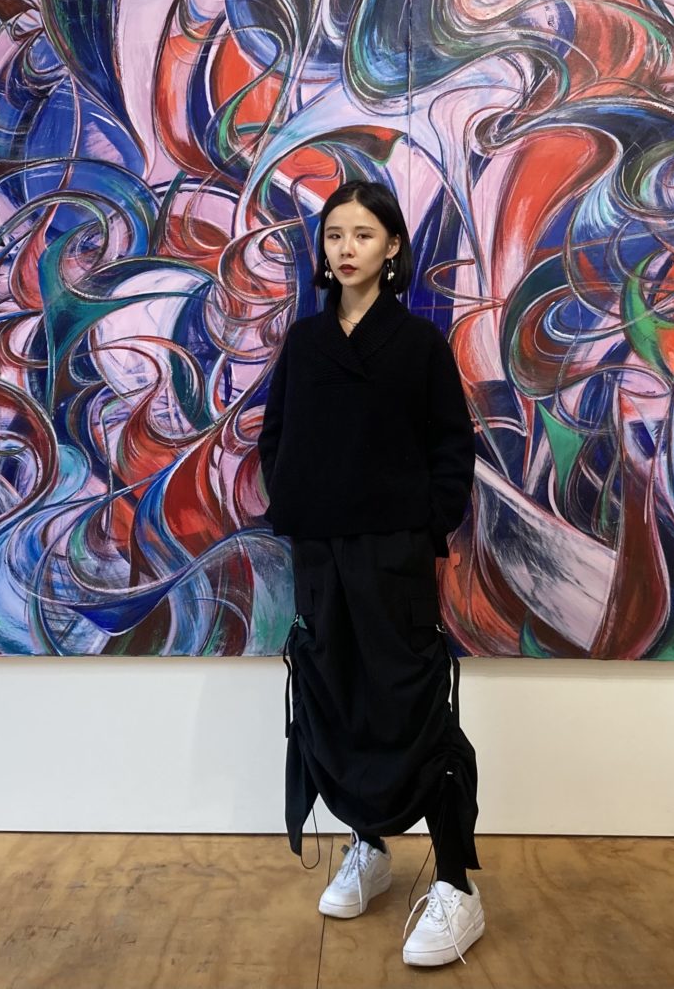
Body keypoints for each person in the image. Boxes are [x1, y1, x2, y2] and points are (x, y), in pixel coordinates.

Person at [257, 179, 485, 967]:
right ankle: (370, 847)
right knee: (337, 693)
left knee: (414, 705)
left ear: (392, 248)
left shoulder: (417, 345)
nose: (345, 248)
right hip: (320, 555)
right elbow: (276, 438)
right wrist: (298, 506)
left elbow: (452, 447)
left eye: (361, 234)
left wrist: (423, 525)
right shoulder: (305, 343)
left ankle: (456, 884)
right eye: (334, 235)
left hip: (394, 556)